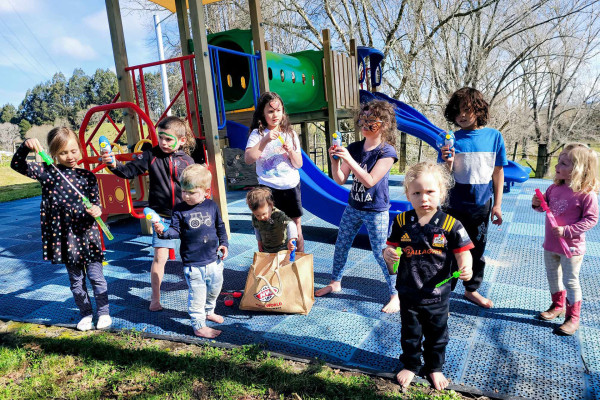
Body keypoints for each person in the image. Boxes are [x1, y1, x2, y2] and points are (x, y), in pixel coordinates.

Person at [383, 161, 473, 390]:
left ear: (442, 193)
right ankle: (411, 364)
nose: (424, 198)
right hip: (409, 291)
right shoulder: (402, 221)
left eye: (430, 192)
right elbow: (390, 247)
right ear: (408, 194)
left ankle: (434, 367)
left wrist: (467, 267)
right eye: (417, 192)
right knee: (410, 333)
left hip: (438, 294)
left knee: (437, 335)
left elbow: (463, 252)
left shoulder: (451, 225)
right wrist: (389, 253)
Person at [11, 128, 112, 331]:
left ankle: (103, 313)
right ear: (54, 153)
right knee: (76, 280)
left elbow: (96, 204)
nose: (70, 156)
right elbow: (16, 164)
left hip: (87, 235)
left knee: (96, 277)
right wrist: (24, 147)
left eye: (74, 151)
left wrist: (96, 209)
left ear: (80, 149)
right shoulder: (47, 173)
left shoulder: (87, 177)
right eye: (64, 153)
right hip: (66, 238)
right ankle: (85, 314)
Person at [102, 116, 195, 311]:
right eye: (160, 137)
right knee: (160, 257)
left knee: (192, 257)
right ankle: (155, 297)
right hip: (161, 216)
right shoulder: (150, 155)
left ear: (182, 140)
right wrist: (113, 165)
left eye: (169, 139)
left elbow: (195, 186)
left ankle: (197, 294)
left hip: (185, 214)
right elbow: (128, 171)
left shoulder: (187, 161)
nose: (163, 142)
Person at [315, 100, 400, 313]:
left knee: (382, 253)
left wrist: (349, 160)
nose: (365, 124)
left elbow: (370, 180)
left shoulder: (387, 151)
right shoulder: (353, 148)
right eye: (363, 119)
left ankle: (395, 294)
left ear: (385, 124)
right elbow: (341, 179)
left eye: (371, 120)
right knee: (341, 244)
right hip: (353, 206)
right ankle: (335, 282)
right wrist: (335, 160)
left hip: (377, 210)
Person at [440, 87, 507, 308]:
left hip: (481, 205)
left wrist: (497, 205)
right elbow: (443, 176)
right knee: (448, 249)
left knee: (477, 249)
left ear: (478, 110)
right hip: (453, 205)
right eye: (457, 111)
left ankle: (471, 289)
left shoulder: (494, 137)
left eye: (467, 109)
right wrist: (447, 162)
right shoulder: (451, 139)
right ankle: (443, 292)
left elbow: (498, 172)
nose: (462, 115)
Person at [154, 164, 229, 338]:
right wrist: (163, 233)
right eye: (184, 191)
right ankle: (198, 325)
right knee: (197, 296)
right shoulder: (180, 210)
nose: (186, 196)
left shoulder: (212, 206)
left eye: (192, 192)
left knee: (214, 290)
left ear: (205, 191)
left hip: (214, 260)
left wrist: (224, 243)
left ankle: (209, 311)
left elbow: (220, 226)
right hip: (193, 264)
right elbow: (175, 231)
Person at [532, 143, 599, 335]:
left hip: (572, 249)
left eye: (563, 163)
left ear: (578, 169)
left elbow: (591, 219)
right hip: (551, 245)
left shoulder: (586, 195)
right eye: (558, 162)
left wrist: (568, 230)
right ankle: (557, 305)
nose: (557, 166)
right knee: (553, 277)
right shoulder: (554, 188)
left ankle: (573, 317)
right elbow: (543, 207)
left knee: (571, 281)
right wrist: (536, 203)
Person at [244, 92, 304, 252]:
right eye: (270, 111)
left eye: (278, 110)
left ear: (283, 111)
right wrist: (265, 140)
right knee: (268, 225)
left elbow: (298, 164)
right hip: (268, 188)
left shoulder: (290, 134)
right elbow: (249, 158)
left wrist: (290, 151)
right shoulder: (258, 134)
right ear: (263, 114)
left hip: (290, 186)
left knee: (295, 224)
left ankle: (299, 260)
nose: (275, 115)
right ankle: (270, 262)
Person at [246, 187, 298, 253]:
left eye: (264, 213)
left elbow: (291, 224)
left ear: (271, 205)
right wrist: (259, 241)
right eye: (257, 215)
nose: (261, 217)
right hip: (267, 248)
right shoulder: (254, 216)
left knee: (281, 262)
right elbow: (257, 228)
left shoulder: (278, 215)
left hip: (282, 248)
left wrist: (291, 239)